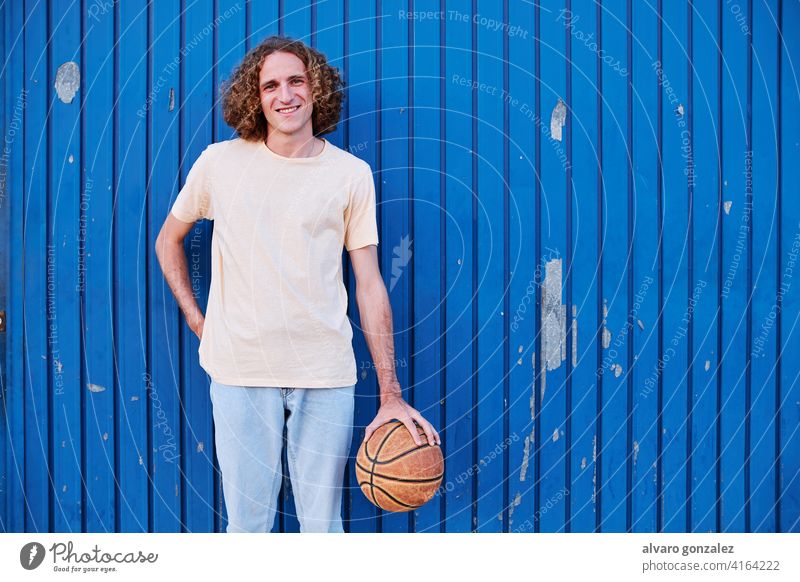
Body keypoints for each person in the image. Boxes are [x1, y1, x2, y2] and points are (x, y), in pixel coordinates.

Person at [154, 35, 439, 533]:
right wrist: (200, 321)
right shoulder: (220, 164)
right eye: (270, 86)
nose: (284, 95)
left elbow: (370, 284)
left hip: (324, 372)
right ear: (255, 97)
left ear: (316, 89)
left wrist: (390, 391)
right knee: (248, 529)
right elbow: (167, 241)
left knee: (323, 530)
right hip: (241, 369)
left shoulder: (350, 175)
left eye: (295, 81)